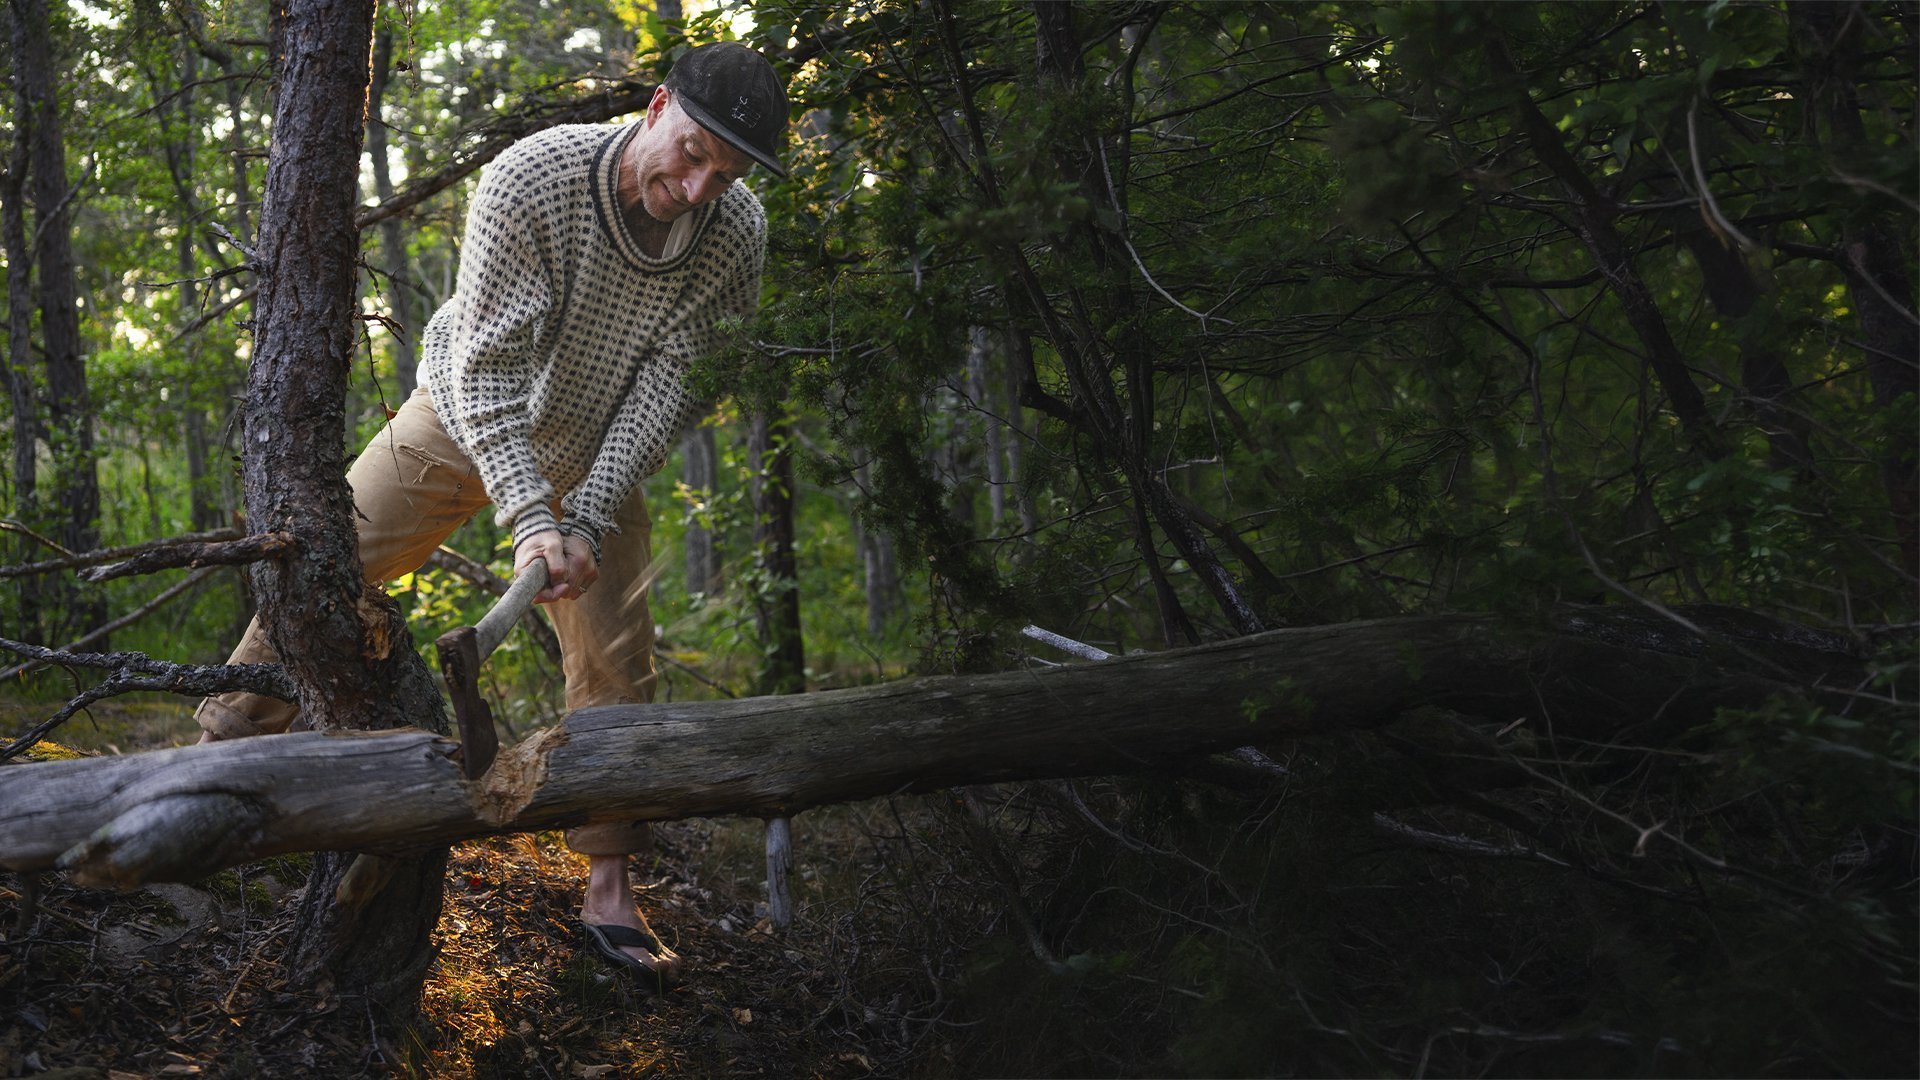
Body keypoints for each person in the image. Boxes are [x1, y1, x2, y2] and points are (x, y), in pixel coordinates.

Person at [193, 41, 789, 991]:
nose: (699, 183)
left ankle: (606, 888)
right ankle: (203, 774)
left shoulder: (736, 231)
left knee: (614, 659)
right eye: (692, 152)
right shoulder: (536, 179)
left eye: (726, 171)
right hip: (462, 417)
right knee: (322, 565)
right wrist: (526, 510)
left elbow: (672, 384)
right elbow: (488, 369)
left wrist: (585, 514)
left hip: (597, 450)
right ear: (657, 103)